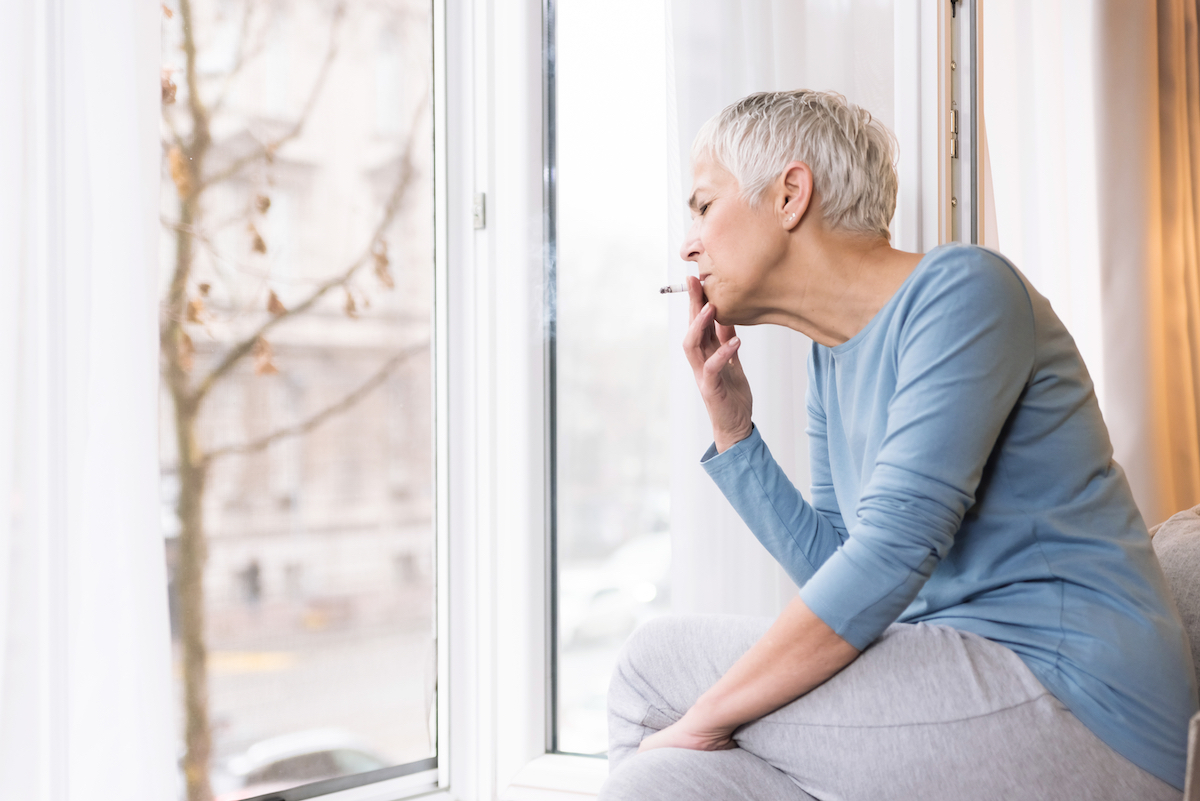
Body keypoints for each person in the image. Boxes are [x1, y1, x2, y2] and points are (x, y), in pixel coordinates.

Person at [600, 90, 1198, 801]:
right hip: (950, 682)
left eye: (703, 206)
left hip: (1080, 700)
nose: (688, 243)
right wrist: (735, 432)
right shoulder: (832, 359)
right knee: (666, 781)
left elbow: (891, 552)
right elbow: (838, 571)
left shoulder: (966, 291)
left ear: (791, 194)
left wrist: (703, 715)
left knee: (650, 668)